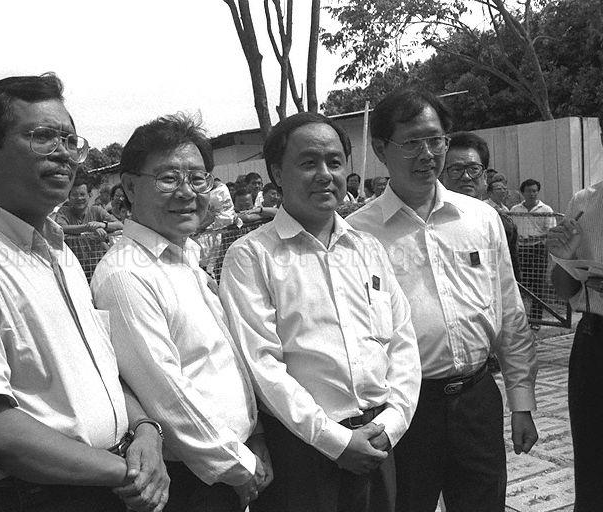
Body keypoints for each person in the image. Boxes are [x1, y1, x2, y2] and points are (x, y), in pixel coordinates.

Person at [0, 73, 168, 512]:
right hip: (33, 498)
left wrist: (145, 431)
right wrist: (125, 472)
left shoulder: (59, 252)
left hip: (104, 484)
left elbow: (98, 372)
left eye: (70, 140)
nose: (64, 153)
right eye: (43, 137)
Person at [347, 87, 538, 512]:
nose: (427, 154)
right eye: (412, 142)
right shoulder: (356, 235)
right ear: (380, 149)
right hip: (403, 411)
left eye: (436, 140)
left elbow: (510, 313)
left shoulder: (481, 218)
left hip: (477, 401)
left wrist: (521, 402)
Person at [220, 112, 421, 512]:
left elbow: (402, 343)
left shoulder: (367, 249)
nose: (325, 175)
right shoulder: (251, 256)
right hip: (303, 453)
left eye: (334, 162)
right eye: (308, 163)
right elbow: (262, 365)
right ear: (278, 173)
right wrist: (336, 441)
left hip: (379, 441)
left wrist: (392, 424)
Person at [91, 113, 271, 512]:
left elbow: (222, 358)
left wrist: (255, 434)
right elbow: (166, 394)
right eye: (169, 178)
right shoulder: (126, 275)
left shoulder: (186, 255)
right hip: (194, 479)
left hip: (232, 459)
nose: (187, 192)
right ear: (130, 187)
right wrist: (240, 466)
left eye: (197, 178)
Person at [547, 114, 603, 512]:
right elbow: (565, 291)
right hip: (595, 341)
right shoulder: (584, 203)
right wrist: (564, 258)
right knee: (592, 456)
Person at [441, 132, 520, 279]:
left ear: (484, 177)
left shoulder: (502, 224)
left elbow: (509, 279)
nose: (466, 177)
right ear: (443, 175)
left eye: (473, 169)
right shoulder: (429, 223)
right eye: (456, 169)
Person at [511, 178, 556, 325]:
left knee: (537, 285)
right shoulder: (515, 210)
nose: (532, 194)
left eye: (535, 191)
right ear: (522, 192)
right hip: (520, 250)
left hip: (538, 249)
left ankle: (536, 319)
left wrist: (536, 237)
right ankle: (521, 319)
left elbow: (550, 232)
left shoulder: (546, 210)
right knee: (520, 284)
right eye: (529, 191)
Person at [55, 179, 123, 238]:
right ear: (68, 197)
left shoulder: (97, 210)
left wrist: (102, 225)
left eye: (82, 194)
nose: (79, 198)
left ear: (89, 195)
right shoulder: (63, 211)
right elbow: (60, 228)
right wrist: (89, 227)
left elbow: (120, 225)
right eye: (74, 195)